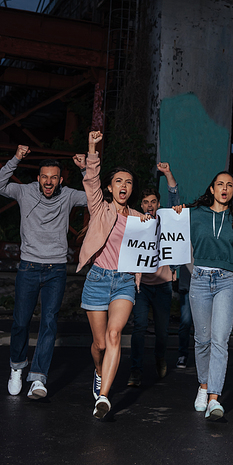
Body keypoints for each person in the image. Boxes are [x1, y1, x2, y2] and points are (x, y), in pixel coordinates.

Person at [0, 145, 87, 399]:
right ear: (38, 178)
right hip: (28, 266)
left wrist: (86, 169)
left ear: (60, 179)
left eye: (53, 177)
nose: (48, 181)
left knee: (48, 323)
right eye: (44, 176)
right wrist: (16, 159)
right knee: (21, 322)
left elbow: (94, 198)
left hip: (56, 268)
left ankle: (38, 378)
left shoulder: (67, 195)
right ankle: (16, 367)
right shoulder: (24, 192)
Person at [179, 171, 233, 420]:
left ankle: (215, 398)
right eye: (220, 184)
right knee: (202, 339)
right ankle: (203, 387)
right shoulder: (195, 215)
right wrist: (175, 211)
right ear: (212, 189)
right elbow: (174, 228)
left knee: (219, 340)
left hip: (227, 281)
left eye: (230, 185)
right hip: (200, 279)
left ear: (232, 191)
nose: (225, 188)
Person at [77, 130, 145, 419]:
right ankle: (97, 370)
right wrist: (93, 146)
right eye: (119, 181)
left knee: (115, 334)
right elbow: (90, 179)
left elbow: (162, 236)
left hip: (124, 282)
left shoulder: (141, 219)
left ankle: (104, 396)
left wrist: (175, 212)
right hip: (98, 279)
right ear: (109, 187)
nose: (124, 185)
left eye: (129, 182)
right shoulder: (100, 208)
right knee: (100, 344)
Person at [127, 162, 181, 386]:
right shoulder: (136, 223)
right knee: (138, 327)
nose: (149, 206)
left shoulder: (166, 221)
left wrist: (168, 172)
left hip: (163, 285)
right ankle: (136, 370)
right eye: (146, 202)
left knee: (162, 331)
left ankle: (160, 357)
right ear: (141, 204)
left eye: (153, 202)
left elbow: (174, 198)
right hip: (141, 286)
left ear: (159, 205)